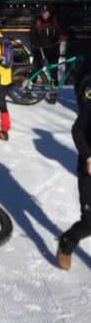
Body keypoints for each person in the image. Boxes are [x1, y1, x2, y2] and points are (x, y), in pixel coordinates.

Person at [57, 93, 91, 270]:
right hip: (89, 173)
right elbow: (77, 130)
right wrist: (87, 156)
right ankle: (67, 241)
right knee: (89, 222)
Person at [29, 1, 76, 104]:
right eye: (42, 13)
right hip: (40, 48)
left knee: (53, 72)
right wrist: (34, 44)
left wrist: (73, 38)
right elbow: (32, 34)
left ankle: (53, 94)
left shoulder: (56, 19)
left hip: (53, 48)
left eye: (46, 12)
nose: (44, 15)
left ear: (50, 12)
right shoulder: (37, 21)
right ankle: (28, 90)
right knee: (35, 69)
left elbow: (66, 29)